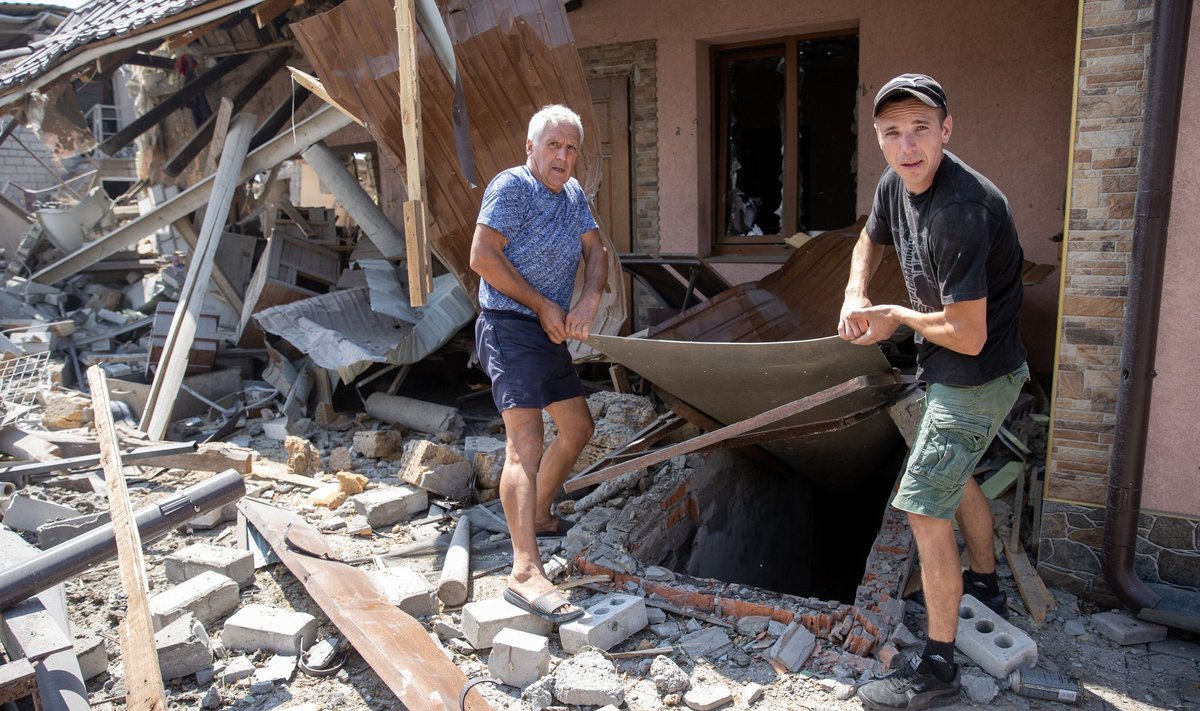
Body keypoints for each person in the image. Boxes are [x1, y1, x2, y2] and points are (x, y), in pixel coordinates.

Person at [839, 74, 1029, 710]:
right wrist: (854, 293)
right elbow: (870, 234)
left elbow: (969, 336)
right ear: (879, 140)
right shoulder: (898, 179)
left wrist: (893, 314)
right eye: (892, 132)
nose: (907, 144)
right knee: (954, 474)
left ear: (947, 130)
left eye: (921, 128)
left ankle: (938, 671)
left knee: (924, 506)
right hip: (946, 368)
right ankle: (985, 586)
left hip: (978, 371)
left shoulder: (959, 212)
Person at [469, 104, 608, 623]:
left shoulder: (573, 197)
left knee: (577, 426)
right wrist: (543, 304)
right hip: (509, 325)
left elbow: (596, 253)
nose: (564, 157)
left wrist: (588, 298)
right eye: (554, 146)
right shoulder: (512, 188)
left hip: (546, 329)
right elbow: (482, 256)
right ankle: (524, 571)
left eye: (571, 148)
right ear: (531, 148)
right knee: (525, 442)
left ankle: (541, 514)